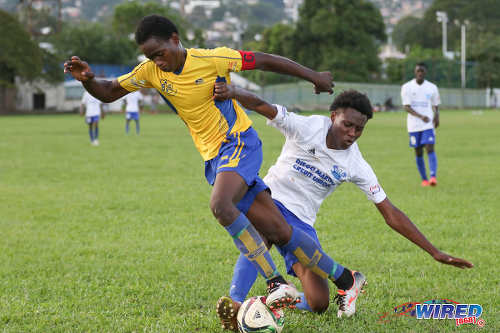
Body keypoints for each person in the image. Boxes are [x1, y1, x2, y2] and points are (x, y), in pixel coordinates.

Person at [64, 15, 356, 316]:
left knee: (220, 205)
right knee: (279, 230)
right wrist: (87, 79)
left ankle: (275, 284)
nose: (157, 61)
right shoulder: (150, 71)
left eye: (160, 53)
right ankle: (346, 278)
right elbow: (110, 91)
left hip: (240, 143)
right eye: (150, 57)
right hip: (215, 160)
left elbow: (265, 60)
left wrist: (314, 76)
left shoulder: (213, 58)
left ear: (175, 40)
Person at [212, 84, 473, 330]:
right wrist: (232, 91)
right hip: (269, 201)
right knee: (265, 229)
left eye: (359, 129)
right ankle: (236, 302)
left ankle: (271, 301)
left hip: (301, 223)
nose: (352, 134)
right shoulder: (306, 127)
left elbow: (390, 213)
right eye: (347, 125)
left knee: (318, 303)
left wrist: (434, 252)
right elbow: (261, 104)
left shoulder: (355, 164)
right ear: (333, 115)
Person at [401, 63, 440, 187]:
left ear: (425, 72)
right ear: (415, 72)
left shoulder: (432, 87)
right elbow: (406, 107)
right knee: (418, 151)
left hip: (428, 124)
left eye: (422, 71)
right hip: (413, 125)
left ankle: (433, 177)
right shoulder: (407, 87)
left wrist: (437, 116)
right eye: (418, 71)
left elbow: (435, 104)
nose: (420, 73)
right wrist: (420, 116)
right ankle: (424, 179)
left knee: (430, 147)